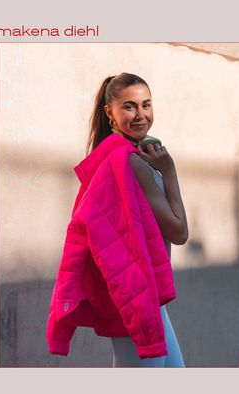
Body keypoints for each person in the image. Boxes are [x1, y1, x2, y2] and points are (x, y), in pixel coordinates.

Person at [46, 72, 188, 368]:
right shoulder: (130, 161)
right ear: (109, 113)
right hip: (136, 295)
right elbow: (179, 232)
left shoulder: (118, 158)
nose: (141, 115)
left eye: (146, 105)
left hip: (144, 294)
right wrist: (169, 172)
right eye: (129, 106)